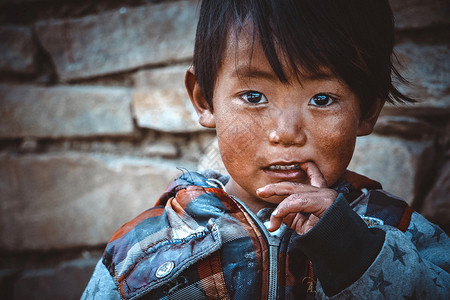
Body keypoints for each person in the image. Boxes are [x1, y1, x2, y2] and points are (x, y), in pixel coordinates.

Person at [82, 0, 450, 299]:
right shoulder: (143, 248)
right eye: (254, 96)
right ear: (204, 98)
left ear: (367, 110)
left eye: (322, 99)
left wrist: (356, 253)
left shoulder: (398, 230)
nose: (286, 133)